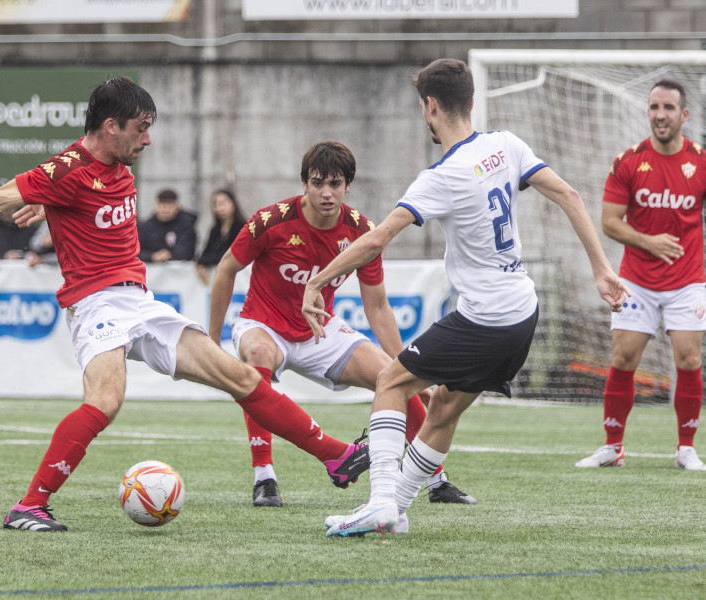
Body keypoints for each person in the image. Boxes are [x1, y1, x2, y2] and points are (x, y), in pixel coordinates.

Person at [0, 76, 369, 532]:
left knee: (239, 376)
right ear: (110, 126)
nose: (149, 140)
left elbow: (69, 205)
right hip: (95, 304)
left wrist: (50, 205)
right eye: (142, 129)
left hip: (140, 301)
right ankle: (29, 505)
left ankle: (336, 455)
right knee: (106, 400)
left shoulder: (118, 167)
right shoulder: (68, 169)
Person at [301, 59, 628, 537]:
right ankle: (396, 512)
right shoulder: (506, 145)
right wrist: (602, 269)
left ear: (430, 107)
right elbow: (572, 195)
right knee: (444, 409)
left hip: (486, 318)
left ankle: (379, 503)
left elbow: (375, 240)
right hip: (522, 313)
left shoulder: (441, 176)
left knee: (391, 383)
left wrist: (316, 282)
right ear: (471, 101)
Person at [209, 141, 475, 508]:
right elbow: (225, 270)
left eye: (335, 183)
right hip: (263, 324)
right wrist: (211, 341)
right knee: (257, 353)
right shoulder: (271, 221)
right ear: (304, 184)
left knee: (392, 375)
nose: (326, 192)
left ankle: (436, 480)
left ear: (348, 185)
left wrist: (405, 364)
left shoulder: (361, 231)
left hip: (320, 330)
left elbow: (378, 306)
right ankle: (264, 477)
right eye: (318, 183)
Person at [575, 80, 706, 471]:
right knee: (624, 356)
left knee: (688, 357)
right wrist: (650, 241)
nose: (660, 115)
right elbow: (610, 223)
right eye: (653, 107)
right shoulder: (629, 162)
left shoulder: (700, 162)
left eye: (668, 108)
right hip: (637, 280)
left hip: (688, 280)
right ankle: (613, 447)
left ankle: (686, 448)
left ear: (683, 115)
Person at [195, 188, 246, 284]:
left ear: (233, 204)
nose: (220, 208)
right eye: (216, 204)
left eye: (223, 203)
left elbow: (233, 254)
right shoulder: (215, 230)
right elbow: (204, 255)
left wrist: (209, 260)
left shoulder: (242, 228)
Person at [137, 188, 197, 263]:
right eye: (162, 205)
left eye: (170, 205)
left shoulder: (186, 225)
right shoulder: (146, 226)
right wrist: (152, 256)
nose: (165, 209)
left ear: (177, 206)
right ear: (156, 206)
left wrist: (168, 256)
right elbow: (137, 251)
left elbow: (187, 251)